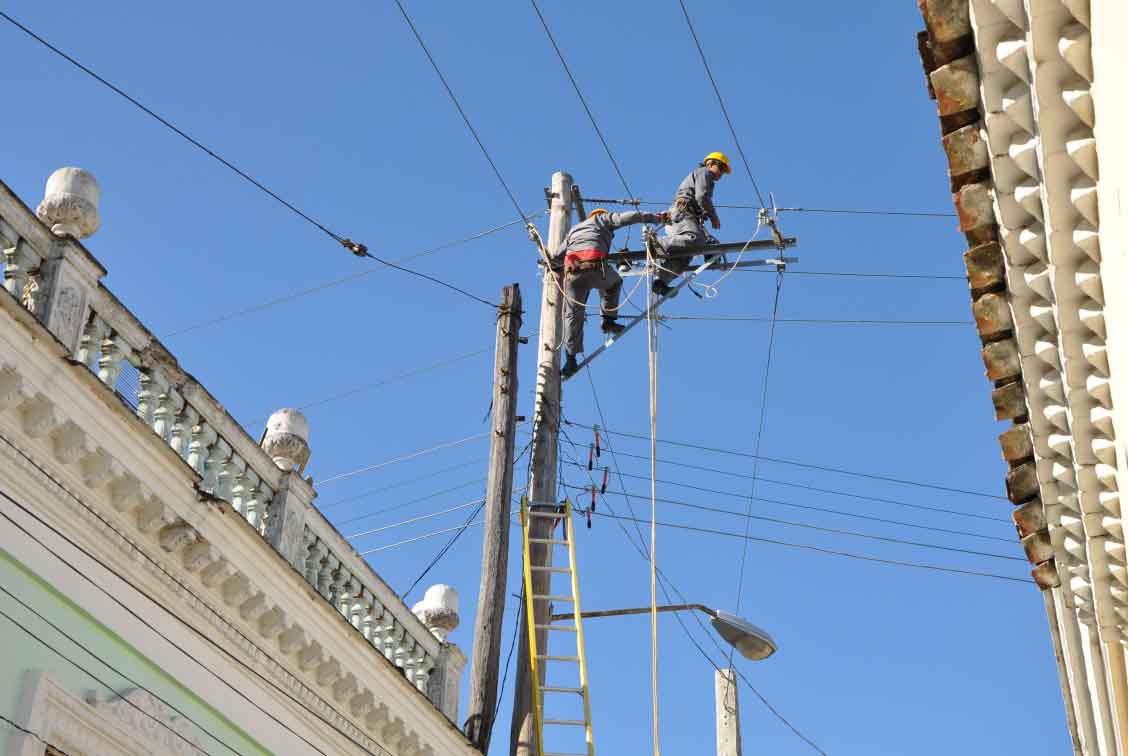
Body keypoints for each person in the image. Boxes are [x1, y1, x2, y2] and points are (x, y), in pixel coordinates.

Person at [559, 208, 666, 377]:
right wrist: (656, 217)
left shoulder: (573, 230)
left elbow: (557, 255)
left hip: (572, 275)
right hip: (594, 267)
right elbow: (629, 217)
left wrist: (549, 262)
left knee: (572, 315)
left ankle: (570, 360)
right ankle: (608, 321)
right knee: (614, 284)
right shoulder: (601, 220)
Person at [651, 151, 732, 297]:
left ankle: (661, 282)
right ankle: (658, 242)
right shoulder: (704, 172)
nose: (721, 174)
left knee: (685, 256)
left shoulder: (706, 176)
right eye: (721, 169)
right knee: (696, 240)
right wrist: (713, 216)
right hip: (683, 214)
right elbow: (702, 197)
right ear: (711, 163)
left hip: (682, 219)